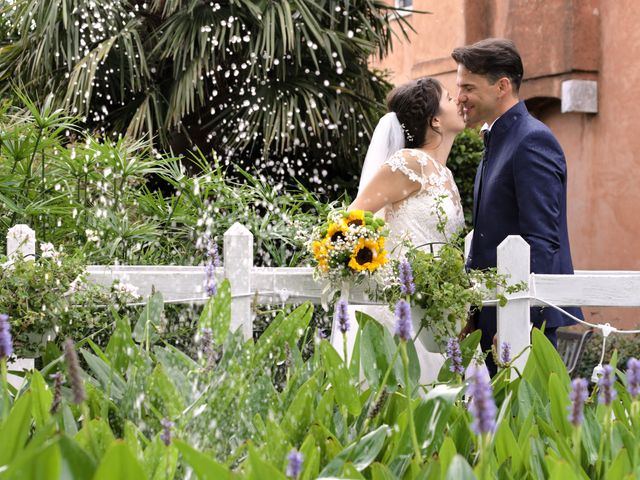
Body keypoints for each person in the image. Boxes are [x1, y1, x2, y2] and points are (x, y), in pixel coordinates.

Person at [452, 38, 583, 376]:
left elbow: (542, 239)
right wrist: (474, 315)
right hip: (492, 316)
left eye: (468, 86)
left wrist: (523, 322)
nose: (459, 96)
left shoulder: (531, 140)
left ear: (502, 86)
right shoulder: (495, 140)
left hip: (523, 319)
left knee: (528, 426)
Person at [340, 77, 466, 384]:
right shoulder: (409, 162)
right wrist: (374, 264)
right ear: (435, 120)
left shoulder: (445, 174)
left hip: (435, 311)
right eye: (450, 98)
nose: (459, 102)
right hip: (398, 306)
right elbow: (352, 218)